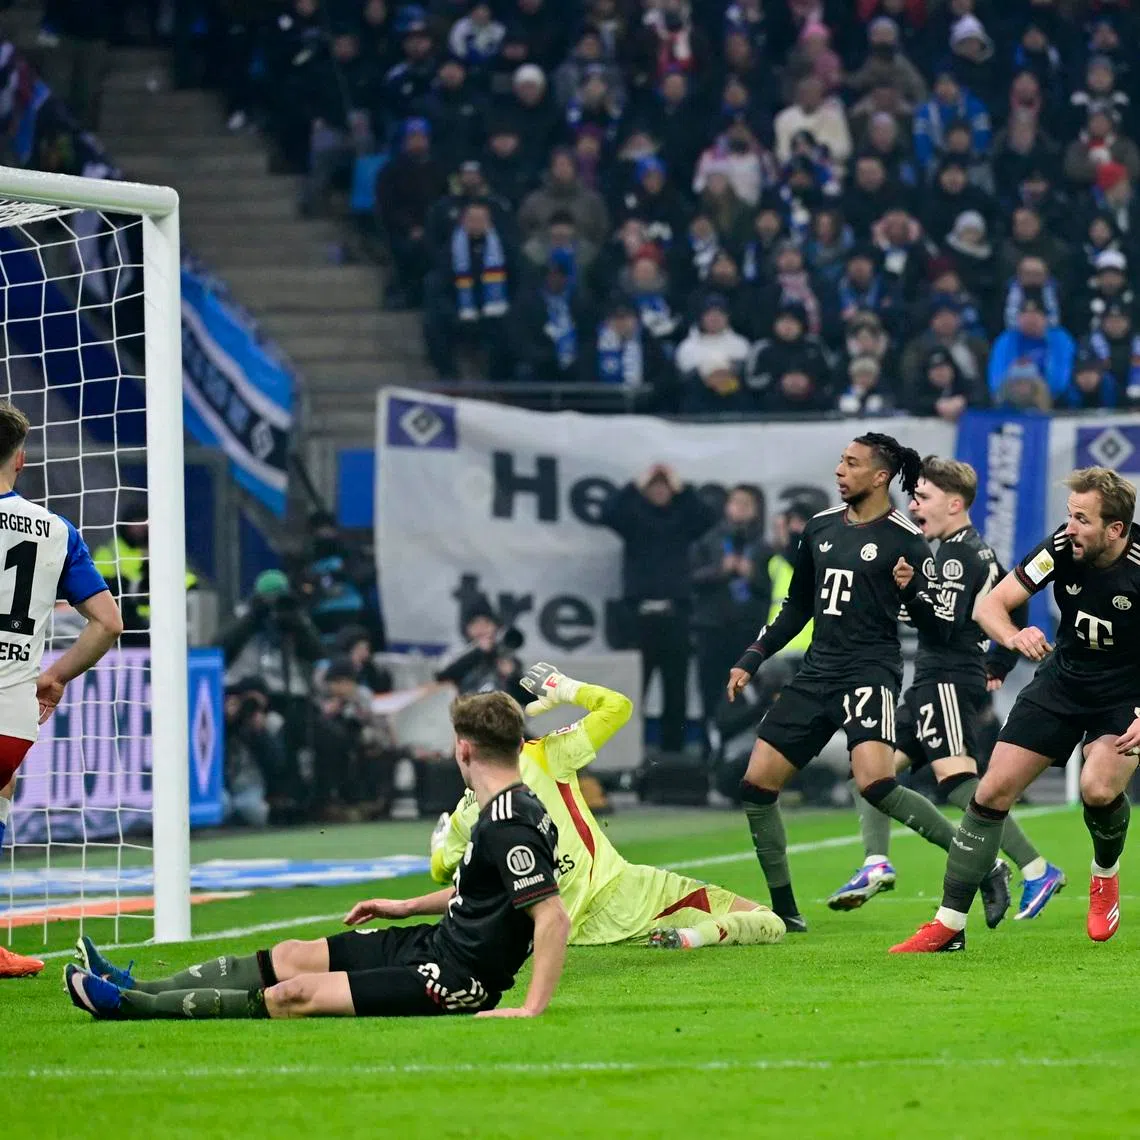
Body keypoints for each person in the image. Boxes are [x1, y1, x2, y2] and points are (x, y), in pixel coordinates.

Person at [67, 692, 571, 1020]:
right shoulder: (508, 808)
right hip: (435, 945)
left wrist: (530, 1009)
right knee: (290, 955)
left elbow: (552, 916)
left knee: (295, 995)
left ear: (463, 750)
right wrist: (404, 906)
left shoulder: (507, 821)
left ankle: (129, 1006)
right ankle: (139, 985)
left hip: (457, 980)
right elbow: (484, 894)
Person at [724, 434, 1006, 934]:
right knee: (756, 785)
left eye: (851, 464)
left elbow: (938, 627)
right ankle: (786, 912)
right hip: (817, 672)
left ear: (879, 477)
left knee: (876, 784)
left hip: (869, 672)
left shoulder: (906, 539)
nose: (839, 471)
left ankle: (984, 866)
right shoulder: (819, 529)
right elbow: (797, 606)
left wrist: (912, 590)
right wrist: (752, 656)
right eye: (840, 461)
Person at [892, 468, 1140, 952]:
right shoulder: (1062, 548)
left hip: (1127, 692)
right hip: (1064, 680)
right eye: (1069, 516)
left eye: (1082, 520)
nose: (1069, 528)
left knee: (1097, 788)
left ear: (1115, 529)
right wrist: (1013, 636)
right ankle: (948, 925)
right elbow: (991, 606)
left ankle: (1104, 876)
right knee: (992, 790)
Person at [827, 458, 1064, 923]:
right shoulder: (970, 553)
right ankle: (877, 862)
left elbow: (944, 619)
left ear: (955, 503)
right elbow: (1007, 612)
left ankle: (1034, 867)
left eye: (925, 497)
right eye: (914, 497)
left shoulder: (958, 553)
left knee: (958, 782)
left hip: (947, 680)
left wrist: (911, 589)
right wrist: (998, 660)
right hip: (933, 681)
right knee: (872, 774)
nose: (915, 505)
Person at [432, 663, 785, 950]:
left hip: (555, 926)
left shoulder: (466, 814)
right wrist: (564, 687)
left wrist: (440, 842)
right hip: (623, 897)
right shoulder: (545, 756)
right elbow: (617, 707)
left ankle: (688, 935)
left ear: (463, 749)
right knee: (768, 920)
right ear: (518, 738)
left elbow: (443, 870)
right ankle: (695, 938)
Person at [0, 403, 123, 978]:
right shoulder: (55, 530)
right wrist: (56, 676)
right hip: (13, 718)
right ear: (20, 461)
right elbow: (108, 622)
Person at [600, 465, 716, 754]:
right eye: (654, 486)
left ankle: (673, 756)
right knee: (632, 690)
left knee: (676, 692)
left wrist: (683, 488)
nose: (660, 491)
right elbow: (607, 513)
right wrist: (634, 485)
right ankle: (628, 752)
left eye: (665, 487)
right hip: (638, 618)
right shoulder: (634, 519)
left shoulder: (682, 520)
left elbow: (707, 518)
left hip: (675, 616)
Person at [690, 486, 772, 745]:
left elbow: (773, 586)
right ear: (727, 506)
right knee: (710, 692)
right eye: (736, 502)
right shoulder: (709, 541)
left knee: (745, 694)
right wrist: (720, 571)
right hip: (712, 628)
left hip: (747, 631)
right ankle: (707, 751)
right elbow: (691, 578)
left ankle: (741, 750)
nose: (741, 508)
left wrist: (753, 574)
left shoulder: (762, 547)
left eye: (747, 503)